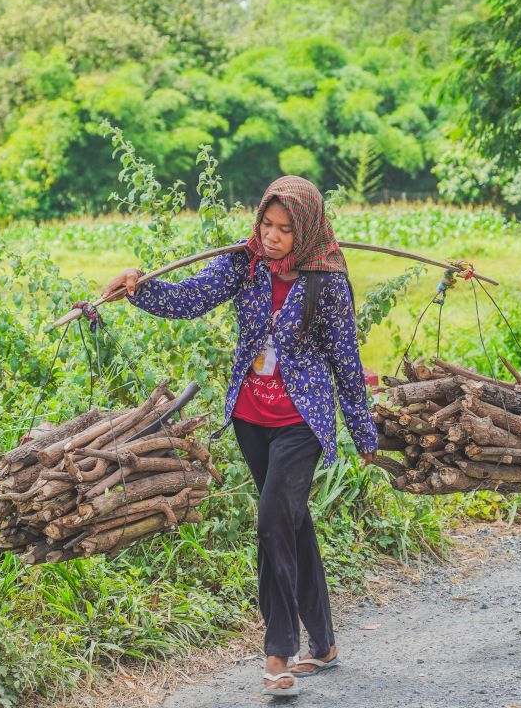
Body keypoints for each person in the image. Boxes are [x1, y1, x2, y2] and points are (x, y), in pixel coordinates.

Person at [102, 175, 378, 698]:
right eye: (265, 224)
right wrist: (139, 287)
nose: (271, 237)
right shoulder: (245, 264)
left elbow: (347, 362)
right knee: (290, 522)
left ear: (309, 231)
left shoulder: (328, 283)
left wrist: (363, 432)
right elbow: (190, 298)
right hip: (252, 419)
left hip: (304, 420)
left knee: (273, 519)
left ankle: (279, 654)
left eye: (284, 230)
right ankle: (324, 642)